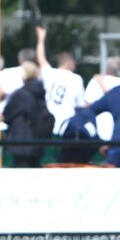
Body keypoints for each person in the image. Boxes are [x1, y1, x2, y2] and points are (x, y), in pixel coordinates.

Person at [35, 26, 88, 163]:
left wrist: (41, 38)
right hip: (65, 125)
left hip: (46, 122)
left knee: (46, 161)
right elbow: (80, 105)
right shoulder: (76, 79)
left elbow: (41, 58)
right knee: (62, 162)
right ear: (70, 63)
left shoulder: (50, 73)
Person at [3, 61, 54, 168]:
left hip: (21, 143)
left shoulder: (21, 94)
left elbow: (6, 115)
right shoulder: (41, 92)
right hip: (38, 142)